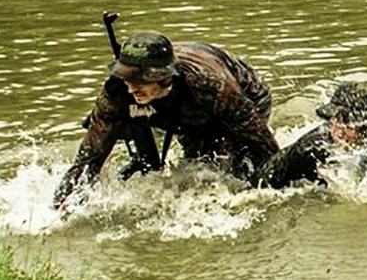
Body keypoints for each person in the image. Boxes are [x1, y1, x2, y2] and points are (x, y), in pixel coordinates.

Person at [54, 31, 278, 209]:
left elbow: (262, 143)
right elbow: (89, 158)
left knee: (229, 172)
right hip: (181, 110)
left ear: (164, 77)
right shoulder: (117, 92)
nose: (131, 88)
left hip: (246, 97)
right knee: (194, 168)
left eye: (140, 81)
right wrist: (58, 207)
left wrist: (276, 190)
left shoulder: (210, 84)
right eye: (127, 79)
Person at [254, 82, 367, 194]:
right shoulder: (312, 148)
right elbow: (262, 184)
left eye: (347, 125)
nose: (337, 132)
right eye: (334, 121)